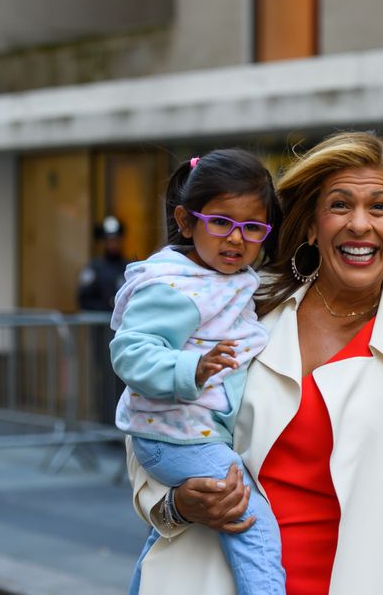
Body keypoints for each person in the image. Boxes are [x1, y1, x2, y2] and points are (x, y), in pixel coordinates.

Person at [126, 131, 383, 594]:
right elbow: (151, 407)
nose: (360, 225)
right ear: (311, 226)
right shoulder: (245, 304)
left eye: (380, 208)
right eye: (340, 205)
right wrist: (175, 506)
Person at [111, 149, 286, 595]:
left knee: (166, 542)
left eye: (252, 228)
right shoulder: (176, 286)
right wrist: (191, 367)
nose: (235, 239)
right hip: (177, 435)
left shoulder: (225, 278)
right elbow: (130, 353)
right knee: (250, 522)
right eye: (221, 222)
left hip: (185, 433)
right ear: (187, 222)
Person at [78, 215, 129, 311]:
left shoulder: (128, 267)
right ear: (104, 241)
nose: (113, 244)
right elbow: (84, 299)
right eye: (109, 240)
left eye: (116, 239)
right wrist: (107, 306)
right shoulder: (94, 268)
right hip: (99, 324)